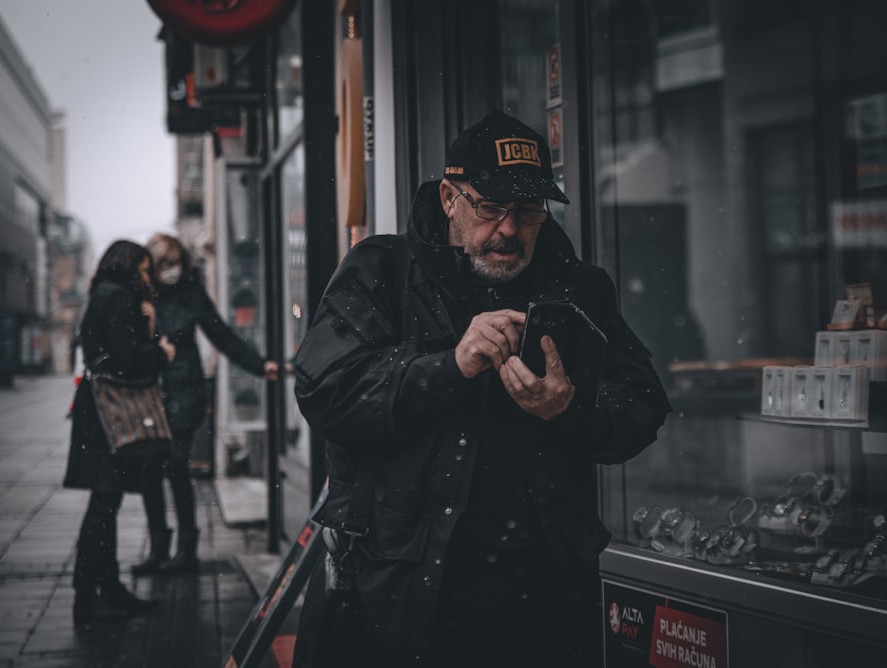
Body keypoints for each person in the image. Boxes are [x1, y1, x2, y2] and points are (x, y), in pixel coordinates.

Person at [291, 109, 672, 666]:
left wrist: (569, 409)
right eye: (491, 209)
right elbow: (326, 391)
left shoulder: (577, 286)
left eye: (527, 212)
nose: (510, 230)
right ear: (450, 198)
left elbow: (641, 406)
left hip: (544, 598)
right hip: (399, 592)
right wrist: (449, 366)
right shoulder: (383, 270)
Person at [131, 233, 279, 576]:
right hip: (151, 396)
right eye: (164, 264)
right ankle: (158, 548)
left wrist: (260, 365)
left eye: (175, 262)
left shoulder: (191, 294)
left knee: (176, 467)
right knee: (150, 473)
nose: (172, 270)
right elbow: (133, 344)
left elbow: (222, 336)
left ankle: (186, 548)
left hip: (185, 393)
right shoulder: (141, 297)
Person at [64, 240, 177, 625]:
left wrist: (144, 323)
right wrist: (162, 352)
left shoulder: (105, 293)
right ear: (129, 266)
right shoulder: (117, 297)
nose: (148, 277)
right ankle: (88, 597)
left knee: (105, 503)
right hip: (109, 414)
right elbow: (129, 359)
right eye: (144, 269)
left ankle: (103, 589)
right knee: (103, 504)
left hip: (100, 412)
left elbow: (112, 351)